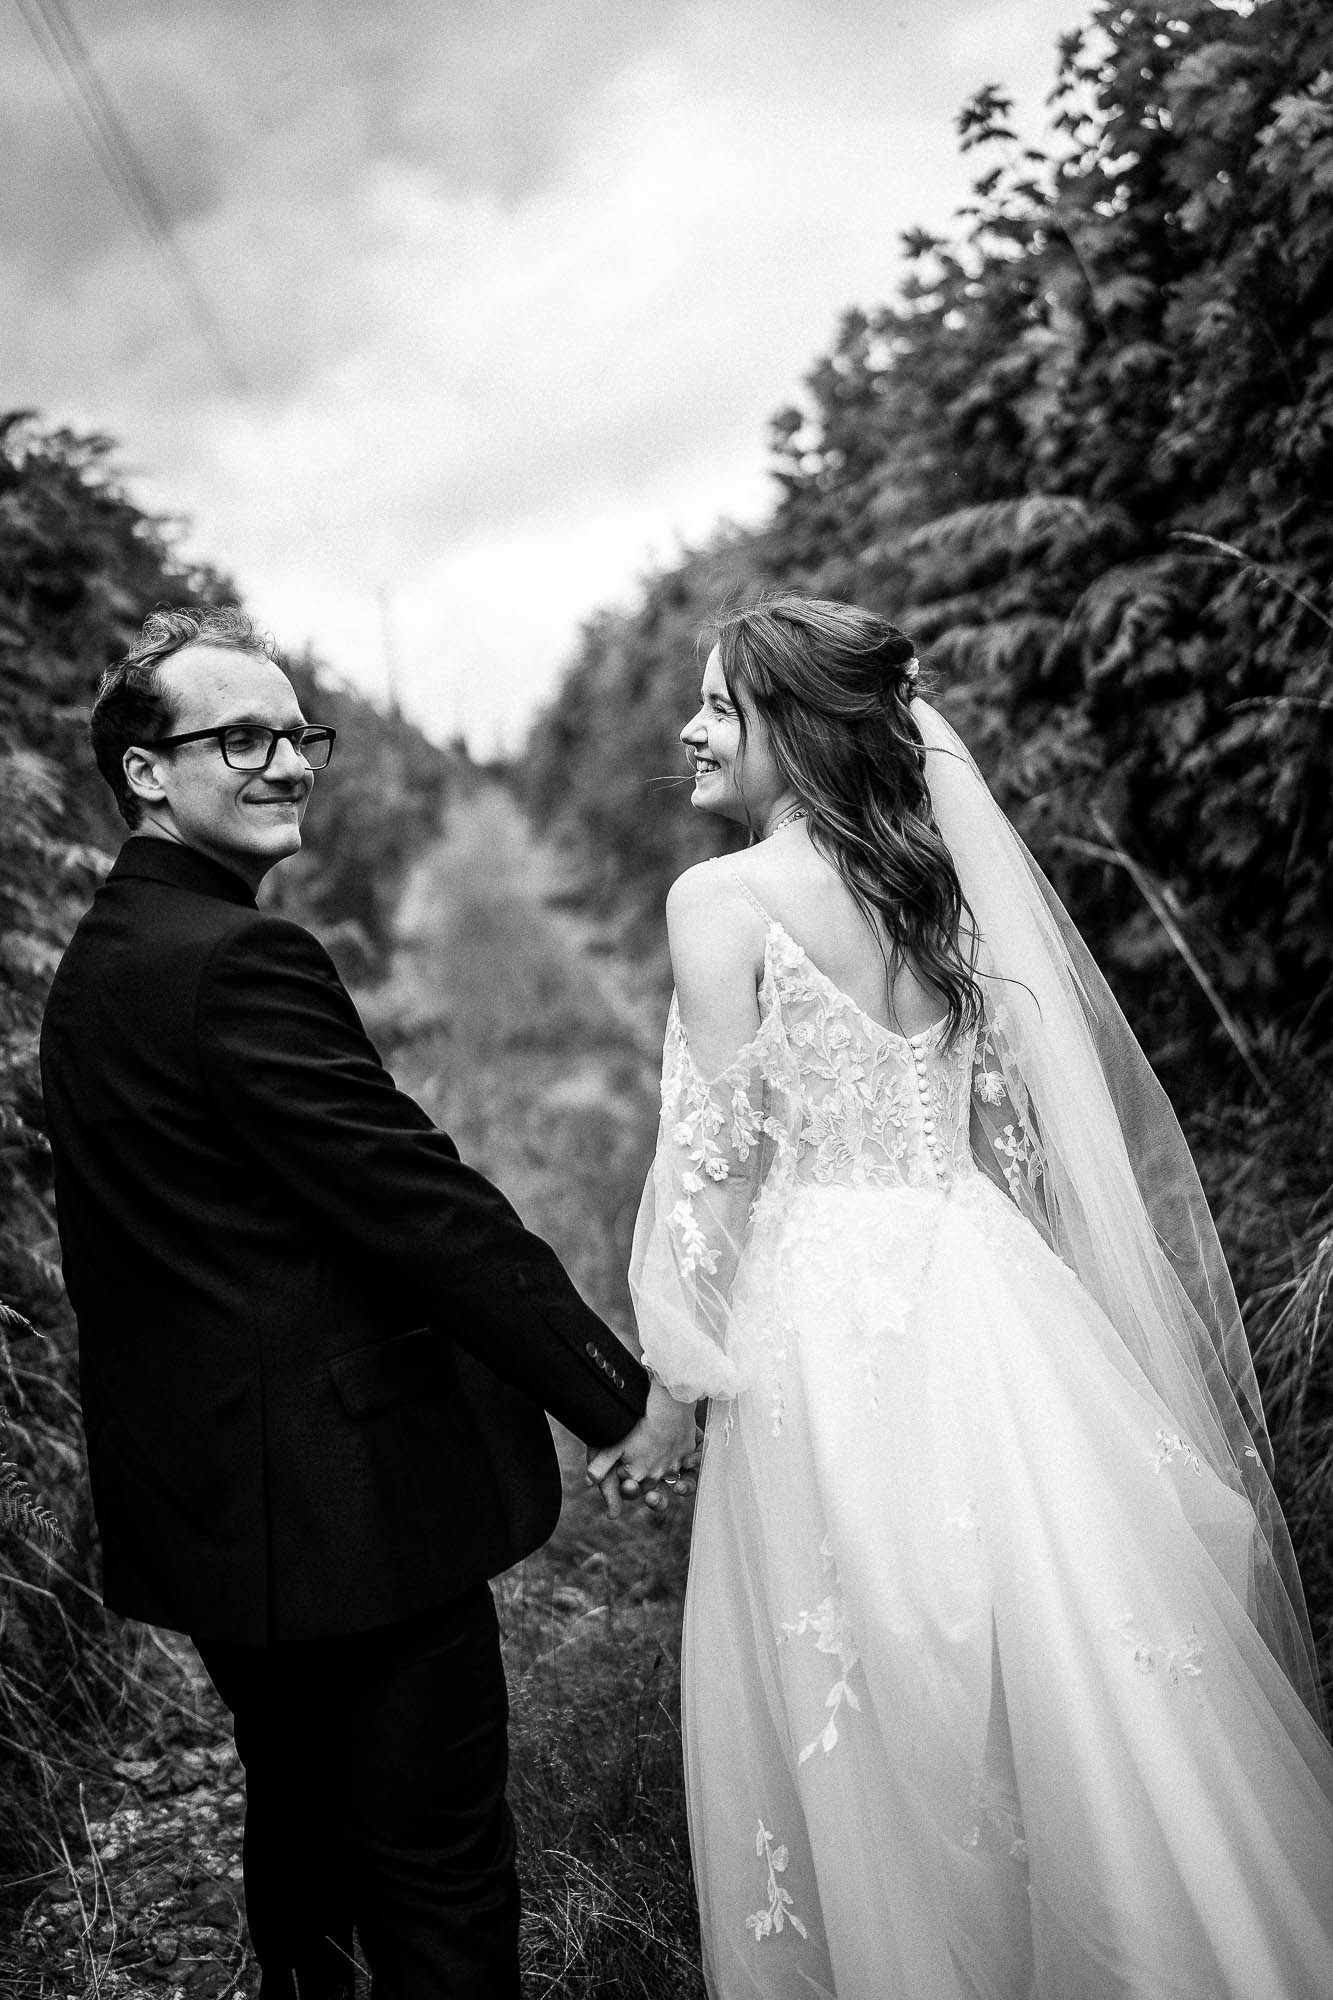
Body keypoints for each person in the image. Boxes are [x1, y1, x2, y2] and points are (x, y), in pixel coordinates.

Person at [592, 594, 1333, 1998]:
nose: (689, 731)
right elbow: (1001, 1134)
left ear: (795, 730)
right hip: (982, 1278)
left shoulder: (721, 899)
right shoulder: (930, 884)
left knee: (869, 1653)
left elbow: (711, 1167)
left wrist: (671, 1381)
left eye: (719, 708)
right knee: (1049, 1620)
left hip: (820, 1309)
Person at [39, 605, 695, 2000]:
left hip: (219, 1509)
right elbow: (417, 1208)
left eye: (298, 735)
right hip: (344, 1512)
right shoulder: (241, 961)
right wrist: (617, 1400)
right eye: (242, 738)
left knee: (308, 1844)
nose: (286, 763)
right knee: (439, 1884)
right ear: (148, 771)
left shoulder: (101, 959)